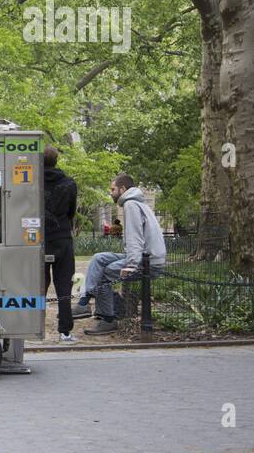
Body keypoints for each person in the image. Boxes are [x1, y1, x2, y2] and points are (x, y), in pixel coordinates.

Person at [74, 173, 166, 335]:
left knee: (105, 273)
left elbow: (135, 238)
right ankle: (84, 303)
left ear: (123, 189)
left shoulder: (131, 204)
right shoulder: (137, 203)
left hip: (148, 262)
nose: (111, 193)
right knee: (98, 258)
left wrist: (131, 265)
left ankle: (108, 319)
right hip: (143, 256)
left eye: (113, 189)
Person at [42, 146, 78, 344]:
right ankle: (65, 332)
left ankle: (35, 326)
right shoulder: (69, 183)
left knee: (38, 285)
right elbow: (71, 211)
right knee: (64, 285)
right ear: (57, 161)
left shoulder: (32, 181)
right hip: (62, 237)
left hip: (38, 238)